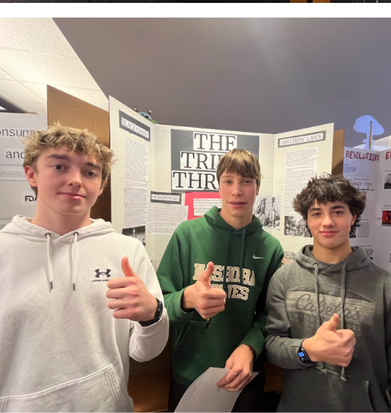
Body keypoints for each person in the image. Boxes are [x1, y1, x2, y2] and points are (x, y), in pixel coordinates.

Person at [0, 125, 168, 411]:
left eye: (90, 172)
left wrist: (153, 314)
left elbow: (145, 352)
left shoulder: (127, 251)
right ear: (32, 174)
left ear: (101, 185)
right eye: (59, 166)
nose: (75, 180)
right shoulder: (5, 251)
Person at [265, 175, 391, 412]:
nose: (327, 222)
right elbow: (272, 344)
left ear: (353, 217)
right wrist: (308, 350)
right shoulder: (284, 279)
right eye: (317, 213)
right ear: (307, 220)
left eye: (338, 211)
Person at [157, 149, 284, 412]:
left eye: (246, 181)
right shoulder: (187, 235)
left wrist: (250, 347)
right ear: (218, 185)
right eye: (228, 181)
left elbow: (270, 315)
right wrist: (187, 299)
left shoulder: (271, 248)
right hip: (190, 374)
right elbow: (159, 306)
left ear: (257, 188)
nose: (237, 191)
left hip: (245, 378)